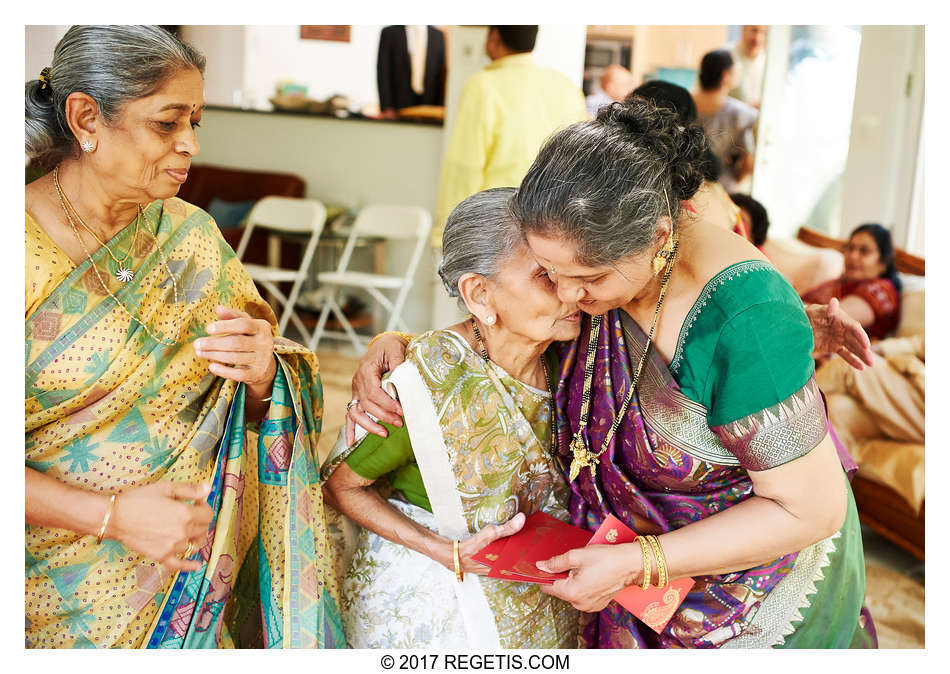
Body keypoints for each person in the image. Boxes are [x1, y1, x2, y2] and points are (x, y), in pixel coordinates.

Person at [351, 100, 877, 648]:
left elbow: (810, 509)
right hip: (623, 576)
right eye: (550, 274)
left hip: (749, 601)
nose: (567, 296)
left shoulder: (743, 319)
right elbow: (506, 309)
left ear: (657, 238)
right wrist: (401, 346)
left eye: (589, 279)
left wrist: (636, 562)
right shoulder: (599, 244)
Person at [25, 25, 343, 648]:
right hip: (51, 596)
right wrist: (113, 518)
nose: (190, 144)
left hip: (193, 583)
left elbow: (256, 398)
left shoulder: (189, 235)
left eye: (195, 122)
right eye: (167, 124)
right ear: (86, 117)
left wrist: (259, 374)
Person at [323, 188, 580, 648]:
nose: (574, 290)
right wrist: (445, 552)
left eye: (572, 269)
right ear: (480, 293)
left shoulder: (581, 354)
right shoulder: (426, 384)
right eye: (547, 277)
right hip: (438, 601)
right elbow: (342, 486)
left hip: (549, 594)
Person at [802, 224, 902, 341]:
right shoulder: (840, 282)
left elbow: (830, 319)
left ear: (884, 262)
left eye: (864, 251)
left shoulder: (881, 290)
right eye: (850, 248)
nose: (853, 256)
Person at [693, 49, 758, 193]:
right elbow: (749, 163)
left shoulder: (683, 103)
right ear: (725, 75)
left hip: (682, 187)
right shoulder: (739, 113)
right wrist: (735, 180)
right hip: (720, 189)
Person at [728, 26, 768, 108]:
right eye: (754, 30)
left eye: (765, 33)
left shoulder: (769, 64)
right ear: (743, 29)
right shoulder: (725, 55)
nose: (758, 38)